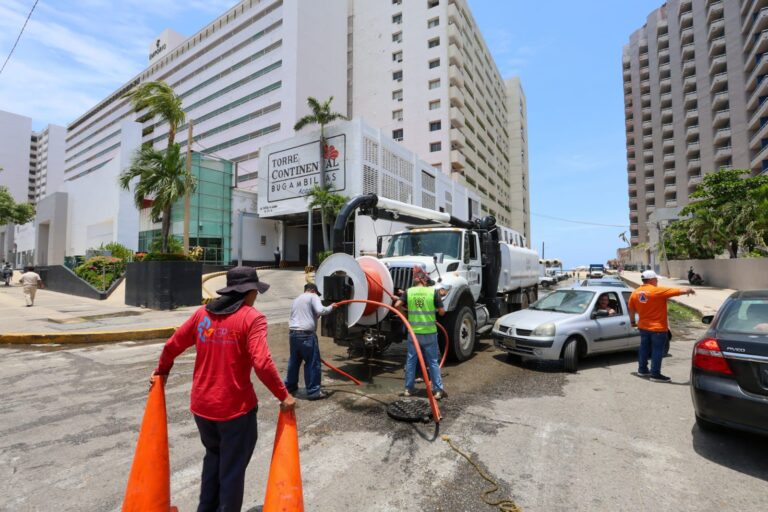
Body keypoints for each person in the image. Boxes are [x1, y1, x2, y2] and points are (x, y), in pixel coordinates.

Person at [151, 266, 295, 512]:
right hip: (235, 412)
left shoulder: (202, 315)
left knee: (214, 459)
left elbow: (172, 345)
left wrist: (161, 371)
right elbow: (262, 362)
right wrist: (284, 395)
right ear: (249, 291)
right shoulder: (252, 318)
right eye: (255, 292)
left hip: (202, 408)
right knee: (232, 471)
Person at [628, 270, 695, 382]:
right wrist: (689, 290)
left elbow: (631, 309)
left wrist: (632, 322)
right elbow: (679, 290)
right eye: (656, 279)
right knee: (657, 351)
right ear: (651, 280)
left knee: (644, 348)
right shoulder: (657, 291)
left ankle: (642, 369)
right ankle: (655, 374)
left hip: (643, 327)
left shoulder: (635, 293)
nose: (657, 281)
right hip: (657, 328)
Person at [395, 266, 447, 400]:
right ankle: (438, 390)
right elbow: (442, 312)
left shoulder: (409, 292)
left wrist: (405, 316)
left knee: (411, 360)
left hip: (414, 334)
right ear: (424, 280)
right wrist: (434, 309)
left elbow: (396, 305)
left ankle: (408, 389)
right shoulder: (433, 292)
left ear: (415, 280)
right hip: (430, 332)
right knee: (433, 362)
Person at [284, 283, 336, 400]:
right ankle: (313, 392)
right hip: (306, 335)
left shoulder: (296, 299)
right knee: (312, 362)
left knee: (294, 361)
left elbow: (298, 315)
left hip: (293, 334)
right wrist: (331, 307)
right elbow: (321, 310)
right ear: (313, 290)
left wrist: (314, 316)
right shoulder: (313, 296)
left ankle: (290, 387)